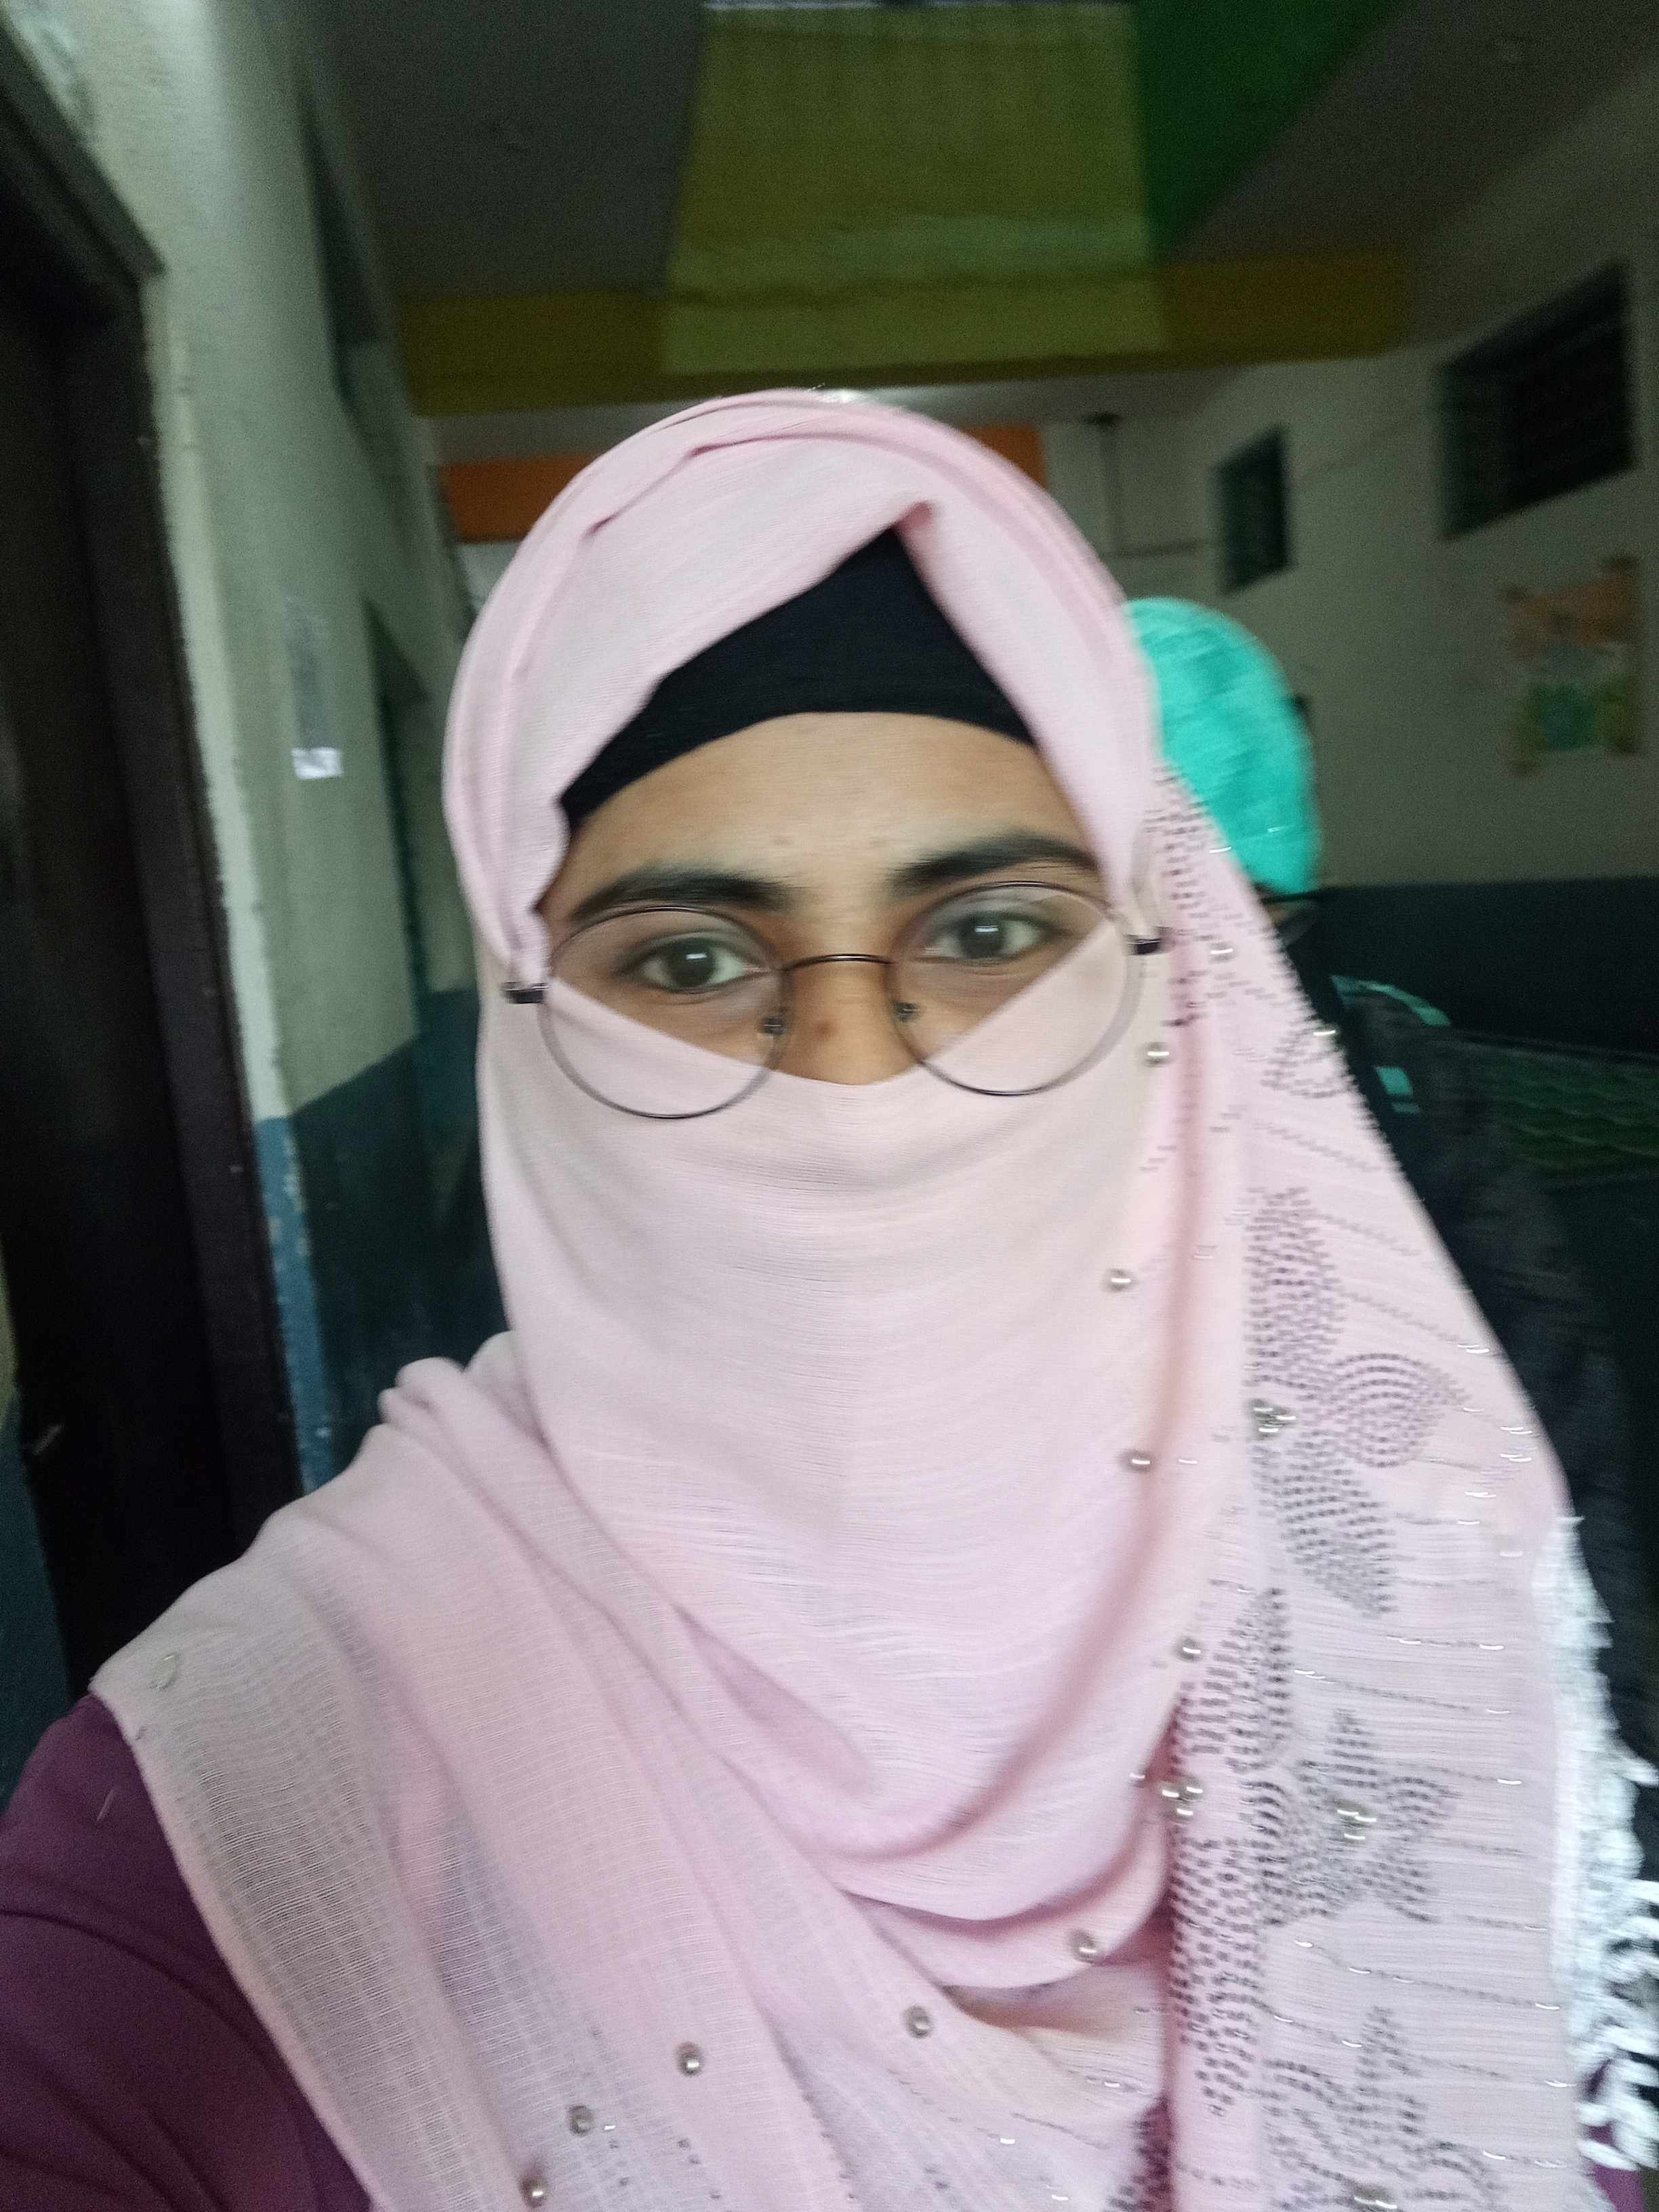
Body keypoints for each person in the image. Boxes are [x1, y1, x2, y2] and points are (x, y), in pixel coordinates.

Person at [1, 394, 1653, 2212]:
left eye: (989, 933)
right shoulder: (252, 1788)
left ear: (1157, 985)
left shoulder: (1401, 1578)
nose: (858, 1079)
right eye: (693, 958)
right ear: (537, 1034)